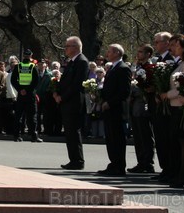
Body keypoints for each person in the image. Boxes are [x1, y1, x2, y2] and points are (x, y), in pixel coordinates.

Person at [161, 34, 184, 188]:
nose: (173, 48)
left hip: (181, 107)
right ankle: (176, 172)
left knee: (182, 142)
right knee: (175, 142)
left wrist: (167, 95)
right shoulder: (181, 63)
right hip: (175, 106)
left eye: (176, 46)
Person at [55, 36, 89, 170]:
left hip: (74, 102)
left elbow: (77, 84)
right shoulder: (71, 62)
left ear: (75, 47)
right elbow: (64, 81)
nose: (65, 49)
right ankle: (73, 159)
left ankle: (78, 160)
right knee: (69, 132)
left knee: (74, 131)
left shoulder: (82, 62)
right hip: (67, 101)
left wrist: (62, 97)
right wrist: (56, 92)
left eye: (68, 46)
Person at [97, 44, 132, 176]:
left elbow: (124, 91)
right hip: (108, 108)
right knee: (110, 138)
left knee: (117, 138)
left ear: (117, 53)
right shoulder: (112, 68)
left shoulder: (123, 69)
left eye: (110, 51)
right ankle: (113, 164)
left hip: (116, 109)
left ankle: (119, 166)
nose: (107, 53)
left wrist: (110, 103)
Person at [128, 44, 155, 174]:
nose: (138, 54)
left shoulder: (150, 67)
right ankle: (141, 161)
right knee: (138, 134)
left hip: (143, 103)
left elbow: (149, 86)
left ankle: (147, 162)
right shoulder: (138, 67)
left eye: (141, 52)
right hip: (135, 103)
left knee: (145, 134)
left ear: (148, 54)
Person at [151, 31, 174, 181]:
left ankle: (169, 168)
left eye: (158, 42)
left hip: (168, 104)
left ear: (167, 43)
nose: (155, 45)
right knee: (159, 137)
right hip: (157, 103)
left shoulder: (171, 60)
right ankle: (165, 168)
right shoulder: (158, 59)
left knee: (166, 138)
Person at [11, 49, 42, 143]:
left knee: (19, 115)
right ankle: (34, 136)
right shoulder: (33, 66)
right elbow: (36, 81)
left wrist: (20, 90)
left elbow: (13, 80)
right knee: (32, 115)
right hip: (30, 94)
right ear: (31, 55)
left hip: (21, 95)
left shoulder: (18, 66)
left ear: (23, 56)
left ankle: (16, 136)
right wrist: (27, 90)